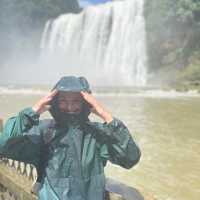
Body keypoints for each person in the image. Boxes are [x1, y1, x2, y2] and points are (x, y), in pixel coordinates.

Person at [0, 76, 141, 200]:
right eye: (63, 101)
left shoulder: (97, 134)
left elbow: (130, 158)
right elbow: (4, 145)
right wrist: (32, 112)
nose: (70, 107)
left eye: (76, 101)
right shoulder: (44, 131)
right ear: (53, 102)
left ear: (86, 103)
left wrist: (105, 114)